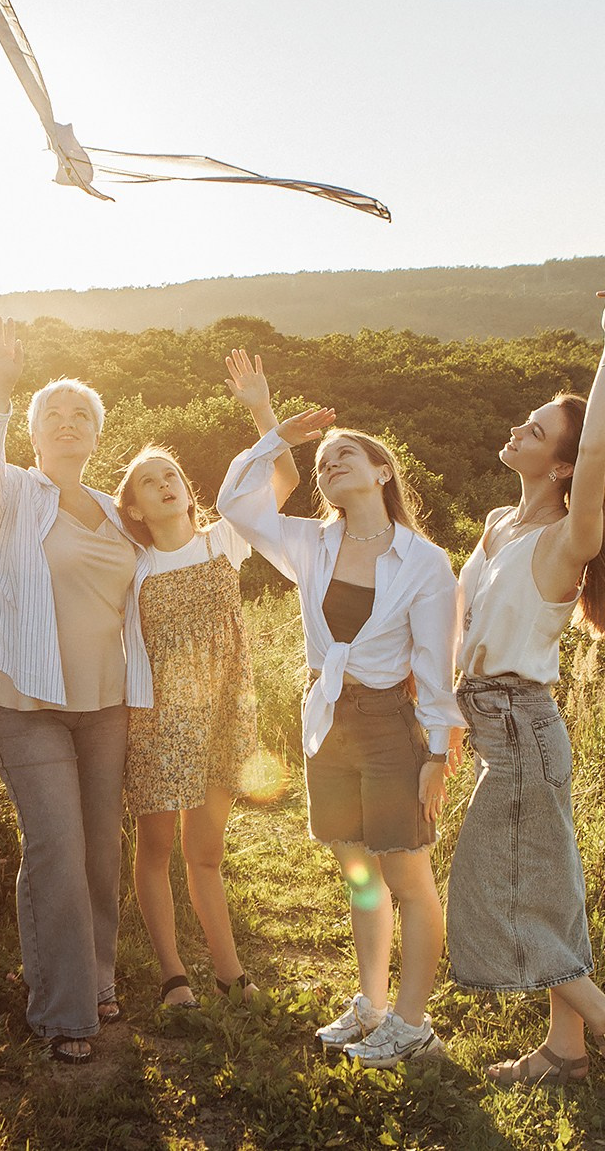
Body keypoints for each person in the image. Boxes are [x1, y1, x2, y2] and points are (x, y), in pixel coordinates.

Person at [446, 263, 605, 1096]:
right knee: (550, 891)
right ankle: (566, 1050)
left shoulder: (570, 537)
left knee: (495, 889)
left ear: (566, 466)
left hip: (524, 726)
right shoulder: (498, 523)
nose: (519, 430)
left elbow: (599, 444)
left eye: (536, 429)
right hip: (495, 724)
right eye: (527, 422)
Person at [216, 407, 465, 1069]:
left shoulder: (427, 563)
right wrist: (277, 436)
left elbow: (438, 669)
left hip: (388, 725)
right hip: (326, 723)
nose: (329, 462)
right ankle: (373, 1005)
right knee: (359, 872)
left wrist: (438, 753)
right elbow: (233, 502)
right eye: (323, 461)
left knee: (406, 876)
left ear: (383, 471)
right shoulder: (309, 543)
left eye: (344, 452)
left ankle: (412, 1025)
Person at [0, 318, 149, 1064]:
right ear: (33, 434)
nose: (67, 425)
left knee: (101, 848)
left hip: (105, 705)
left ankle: (97, 978)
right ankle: (64, 1014)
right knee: (59, 847)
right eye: (53, 416)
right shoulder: (9, 495)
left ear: (97, 435)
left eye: (81, 417)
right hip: (24, 700)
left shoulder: (117, 512)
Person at [112, 350, 297, 1010]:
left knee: (206, 850)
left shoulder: (225, 540)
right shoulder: (130, 569)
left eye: (172, 475)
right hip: (159, 723)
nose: (165, 483)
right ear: (131, 506)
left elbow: (284, 475)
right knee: (157, 846)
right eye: (149, 481)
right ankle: (173, 976)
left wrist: (260, 407)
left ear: (188, 491)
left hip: (223, 714)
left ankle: (227, 970)